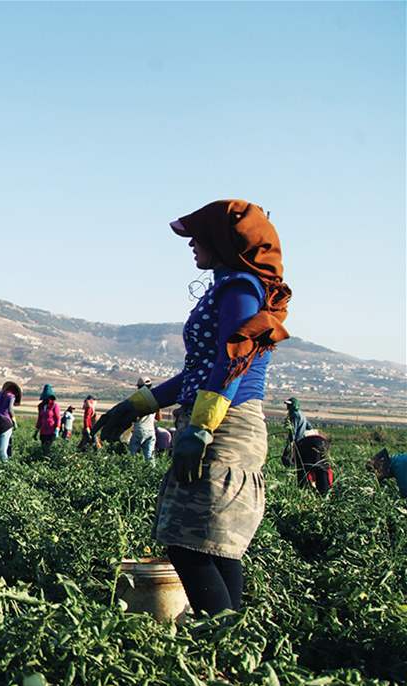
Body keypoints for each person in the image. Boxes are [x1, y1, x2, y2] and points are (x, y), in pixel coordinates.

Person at [92, 199, 292, 619]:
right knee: (213, 546)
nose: (191, 246)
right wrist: (136, 405)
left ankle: (221, 638)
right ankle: (230, 647)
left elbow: (231, 357)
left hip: (226, 426)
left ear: (222, 241)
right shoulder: (230, 286)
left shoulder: (239, 287)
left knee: (189, 545)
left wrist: (201, 428)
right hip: (215, 419)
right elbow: (198, 371)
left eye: (198, 237)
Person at [129, 378, 158, 462]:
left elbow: (134, 417)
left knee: (132, 454)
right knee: (149, 457)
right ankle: (152, 474)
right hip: (151, 431)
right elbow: (158, 418)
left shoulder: (137, 399)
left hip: (140, 429)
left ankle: (132, 472)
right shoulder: (155, 399)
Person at [33, 384, 60, 454]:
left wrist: (57, 429)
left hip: (51, 431)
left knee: (49, 449)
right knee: (43, 449)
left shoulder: (55, 406)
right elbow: (39, 419)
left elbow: (58, 418)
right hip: (43, 432)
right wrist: (36, 431)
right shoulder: (41, 406)